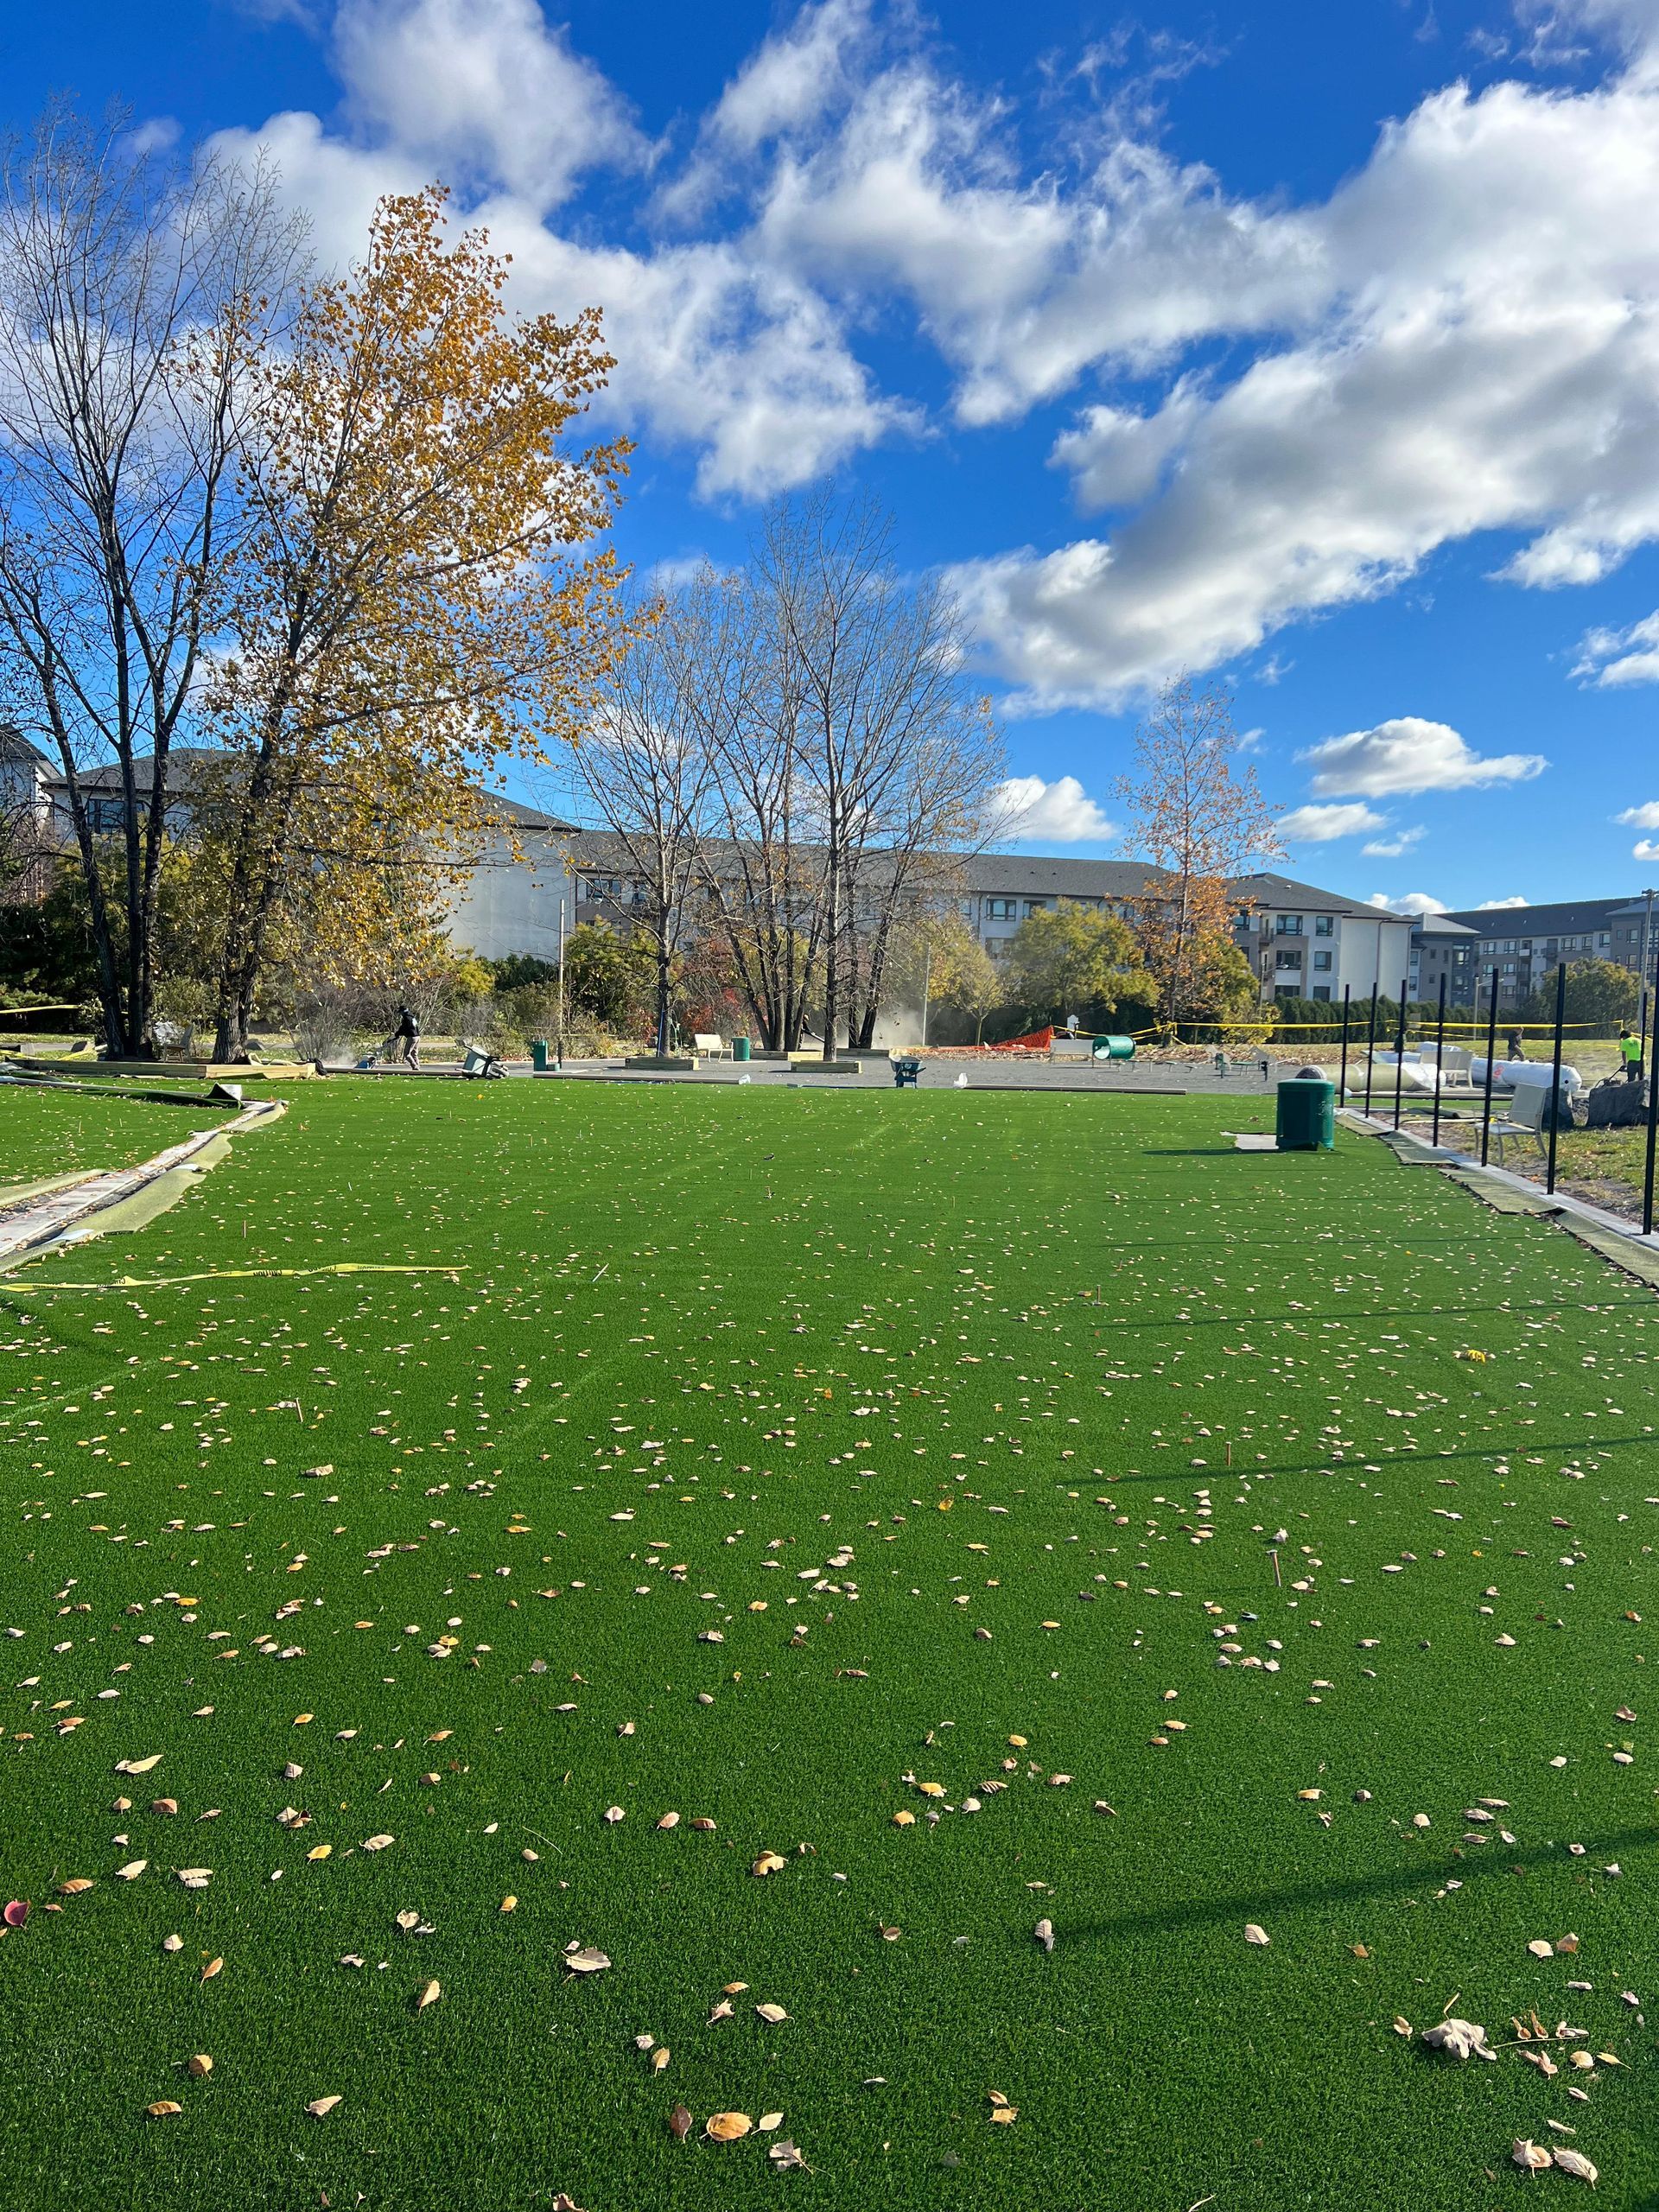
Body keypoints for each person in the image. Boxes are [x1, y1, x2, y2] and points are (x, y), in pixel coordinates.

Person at [382, 1002, 421, 1069]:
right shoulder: (412, 1017)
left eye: (400, 1012)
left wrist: (397, 1034)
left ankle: (415, 1066)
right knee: (414, 1054)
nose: (400, 1014)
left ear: (403, 1012)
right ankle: (418, 1068)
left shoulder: (406, 1018)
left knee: (407, 1054)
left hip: (412, 1037)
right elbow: (414, 1027)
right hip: (417, 1036)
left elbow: (403, 1028)